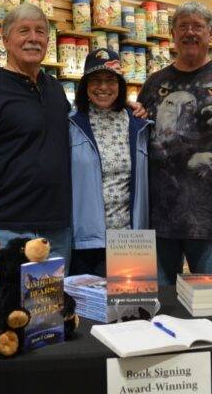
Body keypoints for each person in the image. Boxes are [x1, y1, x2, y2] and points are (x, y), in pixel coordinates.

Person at [137, 1, 212, 285]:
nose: (190, 32)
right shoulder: (154, 84)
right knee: (158, 311)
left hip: (211, 222)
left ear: (210, 34)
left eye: (197, 27)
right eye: (183, 27)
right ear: (173, 34)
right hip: (159, 222)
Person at [0, 3, 73, 272]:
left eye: (40, 32)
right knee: (3, 312)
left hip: (56, 233)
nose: (33, 38)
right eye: (24, 31)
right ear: (6, 40)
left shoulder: (55, 91)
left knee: (52, 314)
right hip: (4, 232)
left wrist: (129, 107)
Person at [69, 49, 151, 277]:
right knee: (90, 310)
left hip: (131, 240)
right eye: (95, 80)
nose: (103, 87)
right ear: (85, 86)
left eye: (110, 80)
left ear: (120, 85)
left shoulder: (140, 125)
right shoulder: (70, 126)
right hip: (87, 241)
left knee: (132, 311)